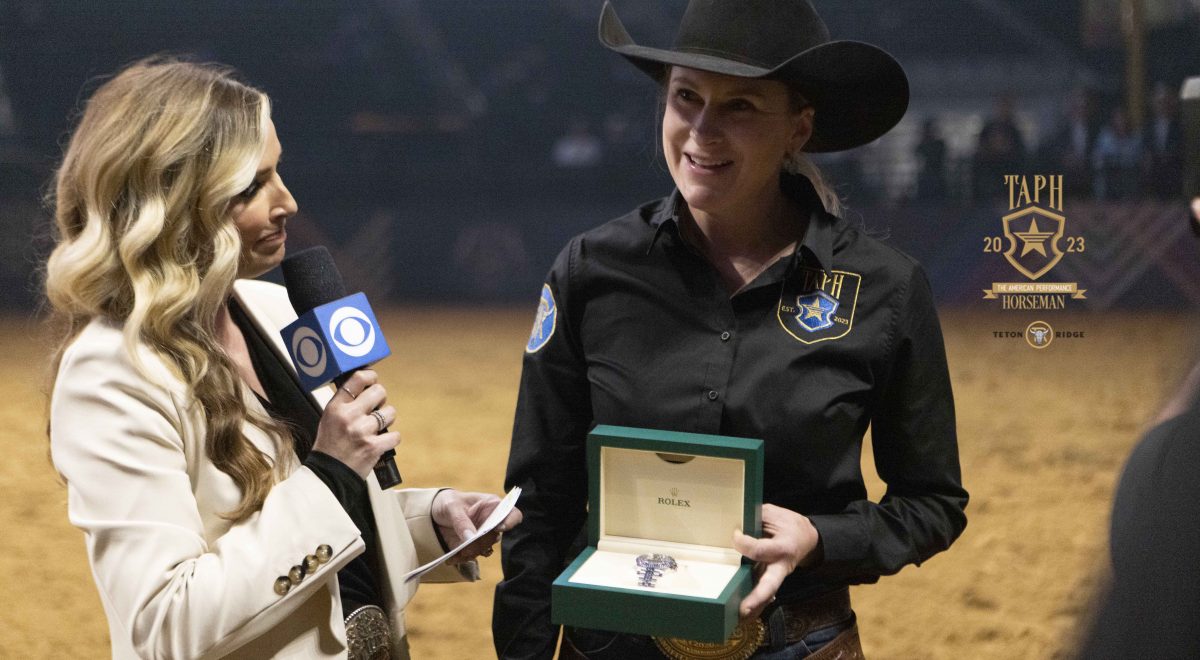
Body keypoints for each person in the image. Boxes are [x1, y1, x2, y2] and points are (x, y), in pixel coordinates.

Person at [493, 2, 968, 659]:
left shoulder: (886, 289)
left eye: (740, 106)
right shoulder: (590, 270)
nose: (702, 131)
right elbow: (539, 503)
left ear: (797, 129)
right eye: (686, 96)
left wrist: (822, 540)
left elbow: (933, 502)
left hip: (796, 643)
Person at [44, 57, 520, 660]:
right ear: (175, 201)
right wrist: (333, 471)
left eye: (279, 171)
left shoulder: (274, 308)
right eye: (251, 186)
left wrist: (429, 520)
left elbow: (314, 512)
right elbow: (166, 623)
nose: (287, 202)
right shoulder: (110, 373)